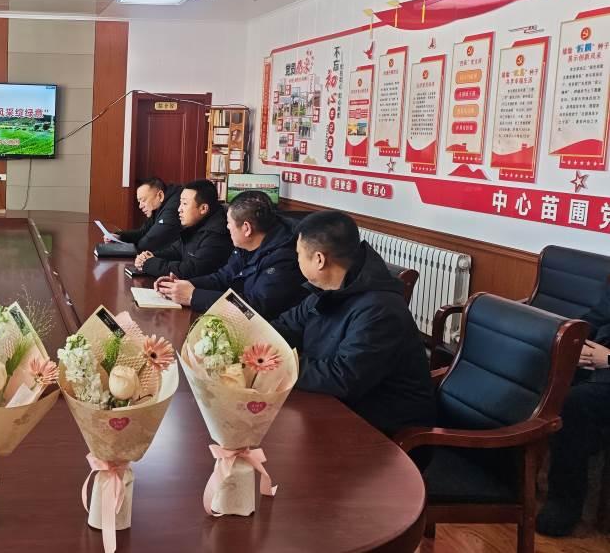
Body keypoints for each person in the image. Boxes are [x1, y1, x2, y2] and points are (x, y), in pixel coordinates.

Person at [271, 210, 435, 436]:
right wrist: (254, 341)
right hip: (339, 406)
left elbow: (343, 378)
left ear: (319, 259)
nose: (296, 259)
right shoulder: (327, 290)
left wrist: (275, 364)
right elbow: (286, 325)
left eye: (299, 254)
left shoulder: (380, 310)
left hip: (383, 429)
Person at [154, 190, 306, 318]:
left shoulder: (284, 258)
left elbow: (253, 309)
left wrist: (193, 296)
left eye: (229, 223)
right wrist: (182, 285)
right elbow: (223, 278)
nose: (227, 227)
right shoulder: (245, 245)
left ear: (246, 228)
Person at [536, 282, 610, 536]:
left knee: (575, 403)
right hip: (598, 361)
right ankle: (508, 474)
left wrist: (607, 359)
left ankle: (564, 503)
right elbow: (595, 318)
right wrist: (575, 344)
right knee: (539, 369)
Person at [133, 179, 232, 279]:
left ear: (203, 208)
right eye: (180, 203)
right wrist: (149, 256)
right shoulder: (196, 225)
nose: (179, 209)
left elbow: (190, 270)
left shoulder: (217, 235)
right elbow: (176, 251)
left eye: (184, 204)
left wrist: (149, 263)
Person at [105, 177, 182, 252]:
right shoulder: (157, 207)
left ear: (160, 196)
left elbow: (150, 241)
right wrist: (119, 236)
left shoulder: (173, 207)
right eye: (139, 202)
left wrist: (128, 249)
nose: (140, 206)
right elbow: (143, 232)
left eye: (144, 200)